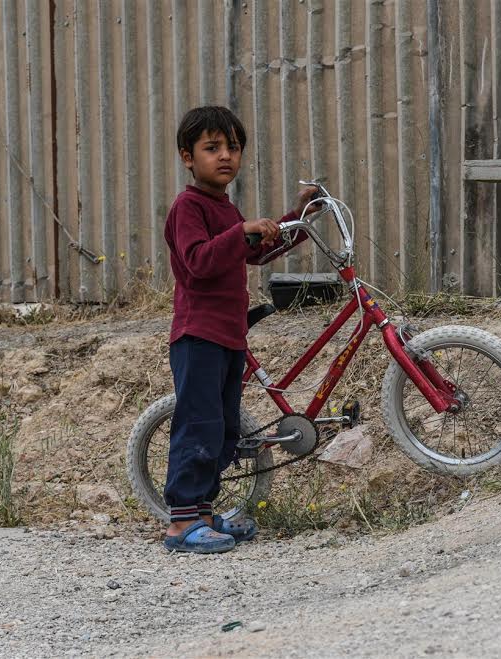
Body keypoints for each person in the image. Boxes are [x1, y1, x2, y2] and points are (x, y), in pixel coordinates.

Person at [162, 105, 317, 553]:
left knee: (224, 429)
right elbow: (198, 261)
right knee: (199, 425)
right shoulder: (188, 207)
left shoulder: (224, 207)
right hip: (197, 336)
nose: (225, 155)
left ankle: (205, 514)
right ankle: (180, 524)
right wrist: (242, 232)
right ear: (187, 157)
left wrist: (298, 217)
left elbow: (254, 253)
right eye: (212, 148)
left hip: (228, 336)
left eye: (233, 147)